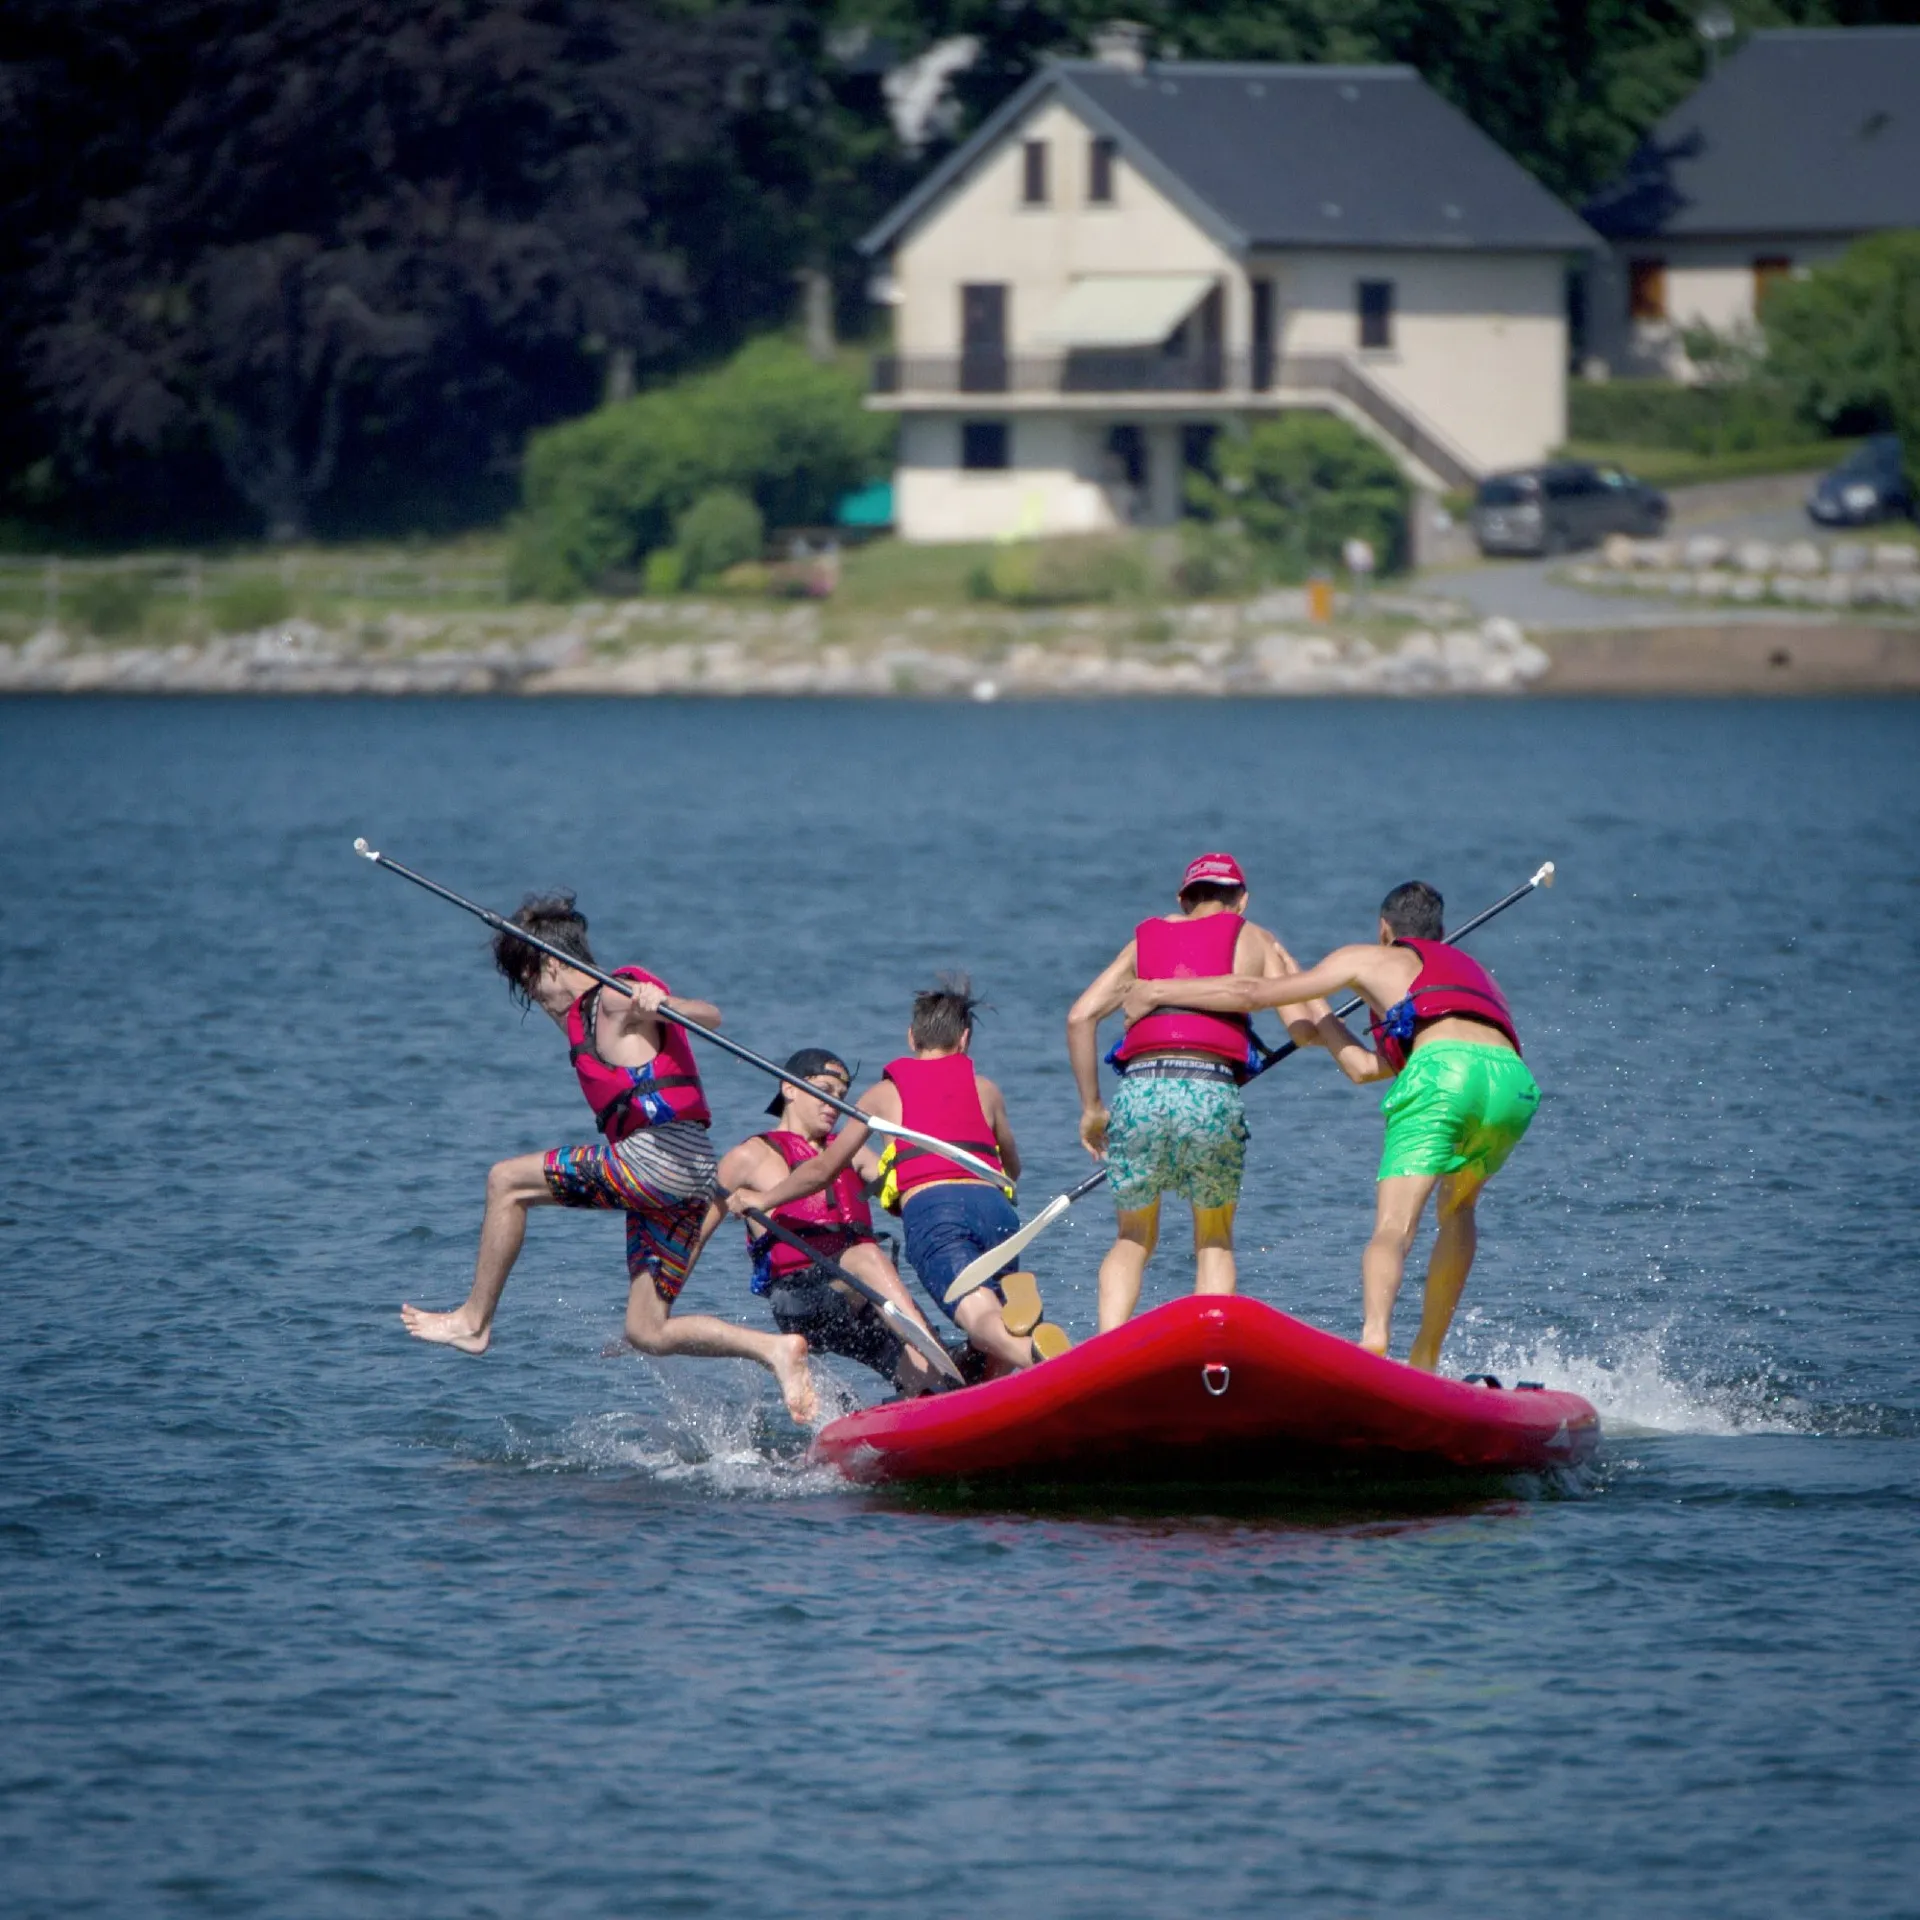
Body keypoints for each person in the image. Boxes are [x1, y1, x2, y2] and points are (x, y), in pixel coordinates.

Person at [399, 892, 818, 1424]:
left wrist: (662, 1004)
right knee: (646, 1330)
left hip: (658, 1160)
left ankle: (474, 1321)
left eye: (530, 979)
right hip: (686, 1174)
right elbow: (562, 1003)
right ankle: (775, 1352)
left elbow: (710, 1015)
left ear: (553, 963)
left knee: (506, 1181)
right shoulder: (574, 1016)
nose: (532, 995)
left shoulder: (617, 998)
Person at [1122, 879, 1540, 1370]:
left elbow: (1249, 991)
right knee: (1460, 1208)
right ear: (1440, 932)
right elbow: (1366, 1068)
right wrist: (1321, 1013)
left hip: (1443, 1071)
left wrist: (1157, 991)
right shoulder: (1476, 976)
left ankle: (1374, 1342)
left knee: (1392, 1227)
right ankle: (1426, 1357)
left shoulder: (1367, 956)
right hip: (1511, 1082)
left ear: (1385, 929)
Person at [726, 978, 1067, 1371]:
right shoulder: (986, 1089)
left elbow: (821, 1170)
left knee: (980, 1319)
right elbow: (1014, 1168)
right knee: (997, 1323)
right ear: (965, 1040)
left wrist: (761, 1200)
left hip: (938, 1213)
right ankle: (1008, 1384)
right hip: (997, 1212)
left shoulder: (883, 1094)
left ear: (911, 1038)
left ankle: (1043, 1360)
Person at [1066, 852, 1329, 1332]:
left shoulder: (1143, 942)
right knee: (1213, 1237)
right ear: (1241, 900)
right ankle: (1211, 1353)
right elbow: (1305, 1029)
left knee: (1132, 1237)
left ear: (1183, 900)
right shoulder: (1255, 937)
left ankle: (1108, 1348)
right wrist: (1297, 973)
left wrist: (1091, 1109)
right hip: (1208, 1092)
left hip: (1139, 1094)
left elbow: (1080, 1017)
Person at [713, 1047, 948, 1397]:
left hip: (859, 1299)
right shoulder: (749, 1156)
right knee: (866, 1257)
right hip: (800, 1300)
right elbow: (688, 1234)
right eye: (824, 1091)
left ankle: (934, 1391)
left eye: (840, 1097)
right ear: (789, 1089)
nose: (834, 1104)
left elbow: (905, 1183)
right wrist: (655, 1311)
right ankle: (948, 1364)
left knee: (927, 1379)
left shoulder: (846, 1151)